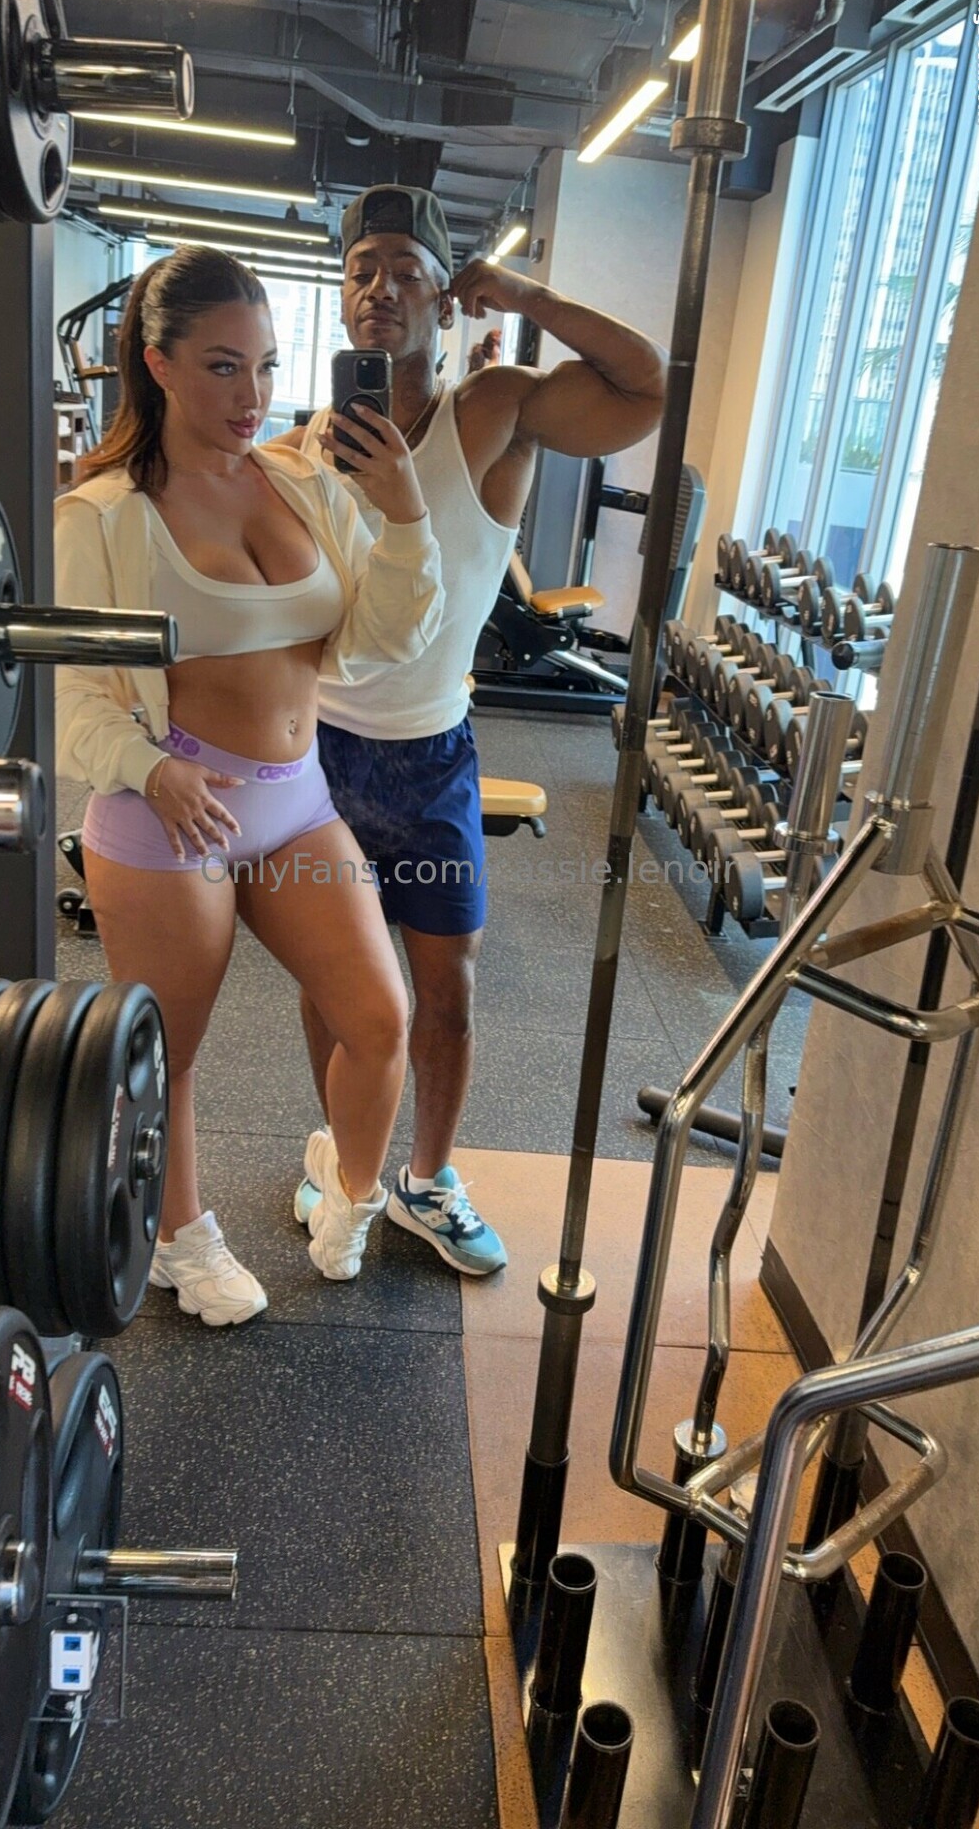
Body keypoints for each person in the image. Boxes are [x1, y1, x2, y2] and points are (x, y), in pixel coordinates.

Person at [277, 185, 667, 1276]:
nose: (380, 289)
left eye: (407, 270)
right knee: (333, 985)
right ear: (342, 297)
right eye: (362, 270)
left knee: (443, 995)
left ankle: (427, 1177)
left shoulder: (493, 411)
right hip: (319, 755)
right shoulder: (308, 440)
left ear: (446, 298)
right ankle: (347, 1154)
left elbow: (645, 388)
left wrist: (530, 295)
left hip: (431, 758)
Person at [54, 244, 445, 1321]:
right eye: (223, 367)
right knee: (171, 1055)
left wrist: (405, 514)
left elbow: (381, 643)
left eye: (267, 366)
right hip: (168, 815)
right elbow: (67, 696)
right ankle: (178, 1237)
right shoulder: (103, 515)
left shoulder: (304, 481)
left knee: (380, 1017)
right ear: (159, 364)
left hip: (295, 799)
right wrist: (150, 770)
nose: (253, 395)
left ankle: (351, 1190)